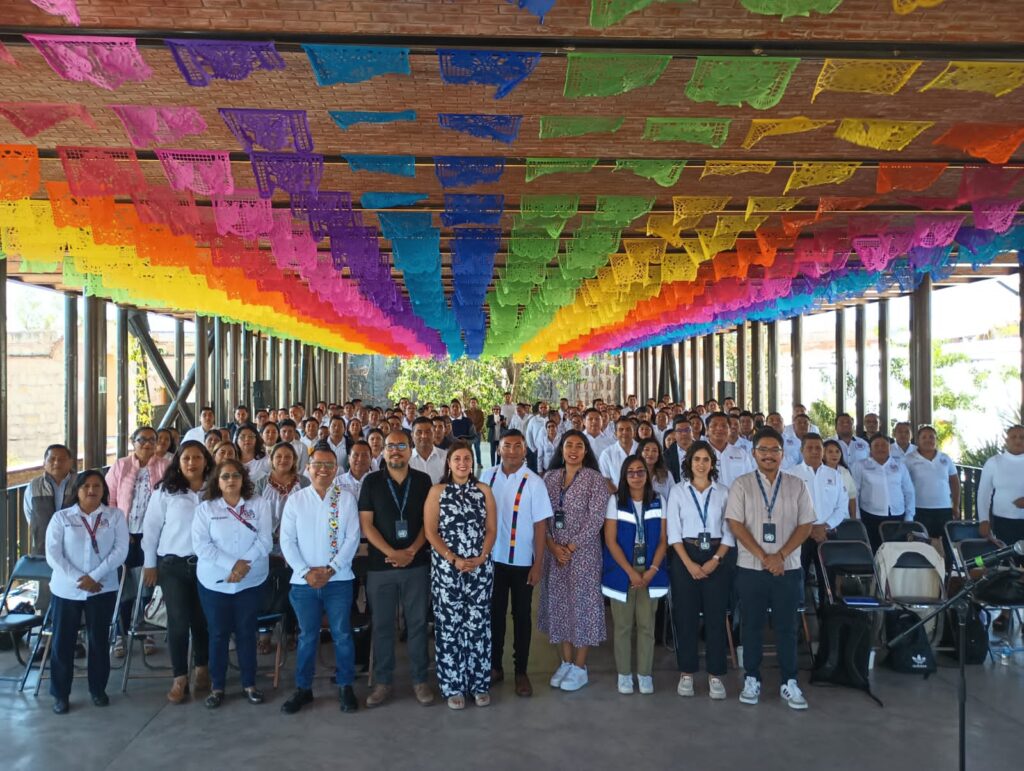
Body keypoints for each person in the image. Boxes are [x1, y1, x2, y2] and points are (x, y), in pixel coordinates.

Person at [725, 427, 815, 710]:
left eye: (774, 450)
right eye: (762, 450)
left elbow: (806, 525)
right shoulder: (741, 485)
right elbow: (735, 524)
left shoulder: (797, 485)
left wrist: (781, 556)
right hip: (751, 567)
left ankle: (790, 681)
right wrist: (765, 556)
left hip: (788, 568)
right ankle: (752, 678)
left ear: (782, 454)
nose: (768, 455)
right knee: (751, 625)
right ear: (753, 454)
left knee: (787, 627)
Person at [279, 445, 361, 715]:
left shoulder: (346, 499)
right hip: (303, 583)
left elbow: (352, 539)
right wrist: (306, 572)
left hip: (339, 580)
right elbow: (287, 541)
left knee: (342, 635)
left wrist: (331, 569)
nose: (323, 469)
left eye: (329, 465)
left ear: (336, 470)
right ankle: (303, 688)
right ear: (308, 468)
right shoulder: (296, 500)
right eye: (318, 464)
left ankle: (345, 685)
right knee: (307, 636)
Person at [358, 431, 435, 708]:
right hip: (381, 567)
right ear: (382, 451)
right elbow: (366, 525)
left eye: (401, 445)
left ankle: (420, 680)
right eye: (390, 446)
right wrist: (392, 553)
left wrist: (411, 551)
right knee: (382, 626)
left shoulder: (423, 481)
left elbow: (430, 523)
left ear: (410, 449)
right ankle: (383, 682)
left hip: (417, 564)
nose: (395, 450)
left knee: (417, 625)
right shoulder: (371, 481)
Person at [45, 470, 129, 714]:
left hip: (102, 588)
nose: (91, 490)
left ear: (104, 490)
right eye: (86, 486)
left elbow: (120, 550)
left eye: (97, 486)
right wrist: (79, 579)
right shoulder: (61, 518)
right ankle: (60, 694)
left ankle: (98, 689)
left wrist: (95, 576)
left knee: (99, 640)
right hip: (67, 589)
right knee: (63, 642)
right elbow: (53, 554)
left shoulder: (114, 516)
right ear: (77, 490)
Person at [192, 459, 272, 708]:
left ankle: (249, 684)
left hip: (251, 580)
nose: (231, 480)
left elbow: (265, 540)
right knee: (218, 633)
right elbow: (201, 546)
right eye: (225, 476)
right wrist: (232, 566)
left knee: (247, 632)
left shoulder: (259, 504)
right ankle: (217, 687)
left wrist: (243, 565)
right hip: (215, 582)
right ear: (217, 481)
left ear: (243, 478)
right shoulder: (205, 509)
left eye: (235, 475)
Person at [423, 441, 497, 710]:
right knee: (449, 627)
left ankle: (479, 684)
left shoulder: (484, 490)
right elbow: (431, 531)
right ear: (449, 463)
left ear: (473, 462)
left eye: (467, 458)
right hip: (447, 569)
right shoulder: (437, 491)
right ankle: (453, 686)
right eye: (457, 459)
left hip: (479, 568)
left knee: (478, 625)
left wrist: (482, 556)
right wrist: (452, 558)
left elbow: (491, 529)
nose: (462, 463)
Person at [142, 440, 214, 703]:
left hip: (207, 565)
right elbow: (151, 528)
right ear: (178, 462)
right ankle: (180, 677)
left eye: (197, 458)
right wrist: (150, 563)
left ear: (206, 460)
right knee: (178, 621)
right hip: (172, 565)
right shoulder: (166, 491)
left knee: (202, 619)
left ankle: (202, 668)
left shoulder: (215, 489)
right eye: (186, 458)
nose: (192, 463)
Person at [539, 430, 610, 693]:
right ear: (561, 449)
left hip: (584, 554)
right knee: (559, 605)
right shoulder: (550, 478)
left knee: (583, 606)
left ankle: (580, 667)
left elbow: (596, 519)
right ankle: (566, 662)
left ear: (586, 451)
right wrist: (552, 545)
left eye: (579, 446)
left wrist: (569, 547)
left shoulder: (595, 479)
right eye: (569, 445)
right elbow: (542, 515)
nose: (573, 450)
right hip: (554, 553)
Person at [484, 429, 553, 697]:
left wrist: (538, 564)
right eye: (507, 446)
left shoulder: (534, 482)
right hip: (493, 560)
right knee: (495, 614)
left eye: (517, 446)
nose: (512, 451)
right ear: (498, 449)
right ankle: (495, 666)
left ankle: (521, 671)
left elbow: (540, 526)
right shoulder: (487, 476)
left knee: (522, 616)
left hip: (523, 561)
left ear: (525, 450)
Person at [666, 440, 733, 700]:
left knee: (716, 618)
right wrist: (689, 564)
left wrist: (715, 559)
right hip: (685, 557)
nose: (701, 464)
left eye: (706, 460)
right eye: (697, 459)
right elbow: (673, 532)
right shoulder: (678, 491)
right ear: (689, 462)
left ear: (712, 464)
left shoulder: (723, 492)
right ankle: (687, 673)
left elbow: (730, 532)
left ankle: (716, 675)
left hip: (716, 556)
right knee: (686, 617)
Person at [602, 456, 668, 695]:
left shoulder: (658, 500)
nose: (636, 476)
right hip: (622, 572)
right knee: (622, 626)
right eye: (631, 472)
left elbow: (663, 540)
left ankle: (644, 674)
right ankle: (624, 674)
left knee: (647, 626)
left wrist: (652, 570)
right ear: (624, 476)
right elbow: (610, 541)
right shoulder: (615, 501)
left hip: (651, 571)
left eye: (640, 471)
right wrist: (630, 572)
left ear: (647, 475)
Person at [106, 426, 170, 657]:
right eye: (142, 439)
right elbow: (110, 499)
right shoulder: (120, 466)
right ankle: (120, 634)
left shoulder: (165, 466)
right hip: (125, 534)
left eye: (152, 440)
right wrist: (119, 530)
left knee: (148, 585)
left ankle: (146, 632)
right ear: (133, 441)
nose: (147, 444)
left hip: (153, 536)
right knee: (124, 586)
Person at [254, 442, 311, 654]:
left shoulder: (304, 482)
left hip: (298, 545)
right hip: (267, 545)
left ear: (294, 460)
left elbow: (309, 513)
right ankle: (265, 633)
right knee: (267, 589)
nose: (283, 460)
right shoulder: (260, 484)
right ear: (272, 459)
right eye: (279, 456)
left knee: (294, 587)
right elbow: (254, 515)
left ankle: (290, 631)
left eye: (288, 456)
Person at [785, 434, 848, 610]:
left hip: (827, 535)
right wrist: (809, 528)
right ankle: (797, 621)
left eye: (818, 448)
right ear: (802, 450)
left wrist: (825, 526)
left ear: (823, 451)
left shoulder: (834, 475)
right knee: (797, 578)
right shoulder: (790, 474)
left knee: (828, 582)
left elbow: (842, 506)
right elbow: (786, 506)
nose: (814, 451)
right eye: (809, 448)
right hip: (799, 536)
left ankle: (826, 619)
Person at [852, 434, 915, 551]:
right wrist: (856, 516)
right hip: (870, 516)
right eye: (876, 445)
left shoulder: (899, 465)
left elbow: (909, 491)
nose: (880, 448)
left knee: (896, 551)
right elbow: (855, 492)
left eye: (884, 445)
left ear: (889, 448)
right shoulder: (860, 465)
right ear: (870, 448)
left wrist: (909, 516)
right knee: (875, 550)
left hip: (897, 516)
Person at [904, 425, 960, 539]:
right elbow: (903, 484)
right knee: (921, 543)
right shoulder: (908, 459)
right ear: (918, 440)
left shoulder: (945, 458)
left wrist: (956, 505)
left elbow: (954, 482)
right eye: (924, 437)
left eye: (931, 437)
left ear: (936, 440)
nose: (928, 440)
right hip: (919, 508)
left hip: (944, 508)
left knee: (944, 542)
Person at [24, 444, 76, 558]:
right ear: (44, 463)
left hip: (75, 550)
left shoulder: (80, 484)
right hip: (43, 550)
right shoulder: (34, 486)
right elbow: (30, 515)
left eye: (62, 459)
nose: (57, 463)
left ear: (70, 463)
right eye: (52, 459)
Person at [978, 425, 1024, 544]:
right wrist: (983, 520)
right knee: (1005, 555)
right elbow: (984, 493)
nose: (1018, 440)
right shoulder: (994, 462)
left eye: (1022, 437)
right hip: (1002, 522)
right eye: (1013, 437)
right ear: (1006, 440)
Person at [705, 412, 754, 488]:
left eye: (724, 426)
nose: (719, 428)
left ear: (729, 429)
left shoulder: (741, 453)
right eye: (714, 425)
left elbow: (750, 480)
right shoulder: (700, 454)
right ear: (707, 430)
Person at [599, 417, 638, 488]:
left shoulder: (642, 449)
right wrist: (617, 493)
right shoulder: (607, 454)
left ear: (634, 433)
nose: (624, 432)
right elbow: (605, 479)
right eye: (621, 429)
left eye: (628, 429)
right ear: (615, 434)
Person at [823, 439, 858, 517]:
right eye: (830, 452)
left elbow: (852, 497)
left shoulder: (845, 472)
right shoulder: (818, 473)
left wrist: (853, 518)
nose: (834, 454)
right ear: (823, 455)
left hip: (844, 518)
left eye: (837, 451)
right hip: (825, 519)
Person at [410, 416, 446, 484]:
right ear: (412, 435)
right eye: (419, 432)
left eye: (428, 432)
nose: (424, 436)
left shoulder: (446, 457)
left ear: (434, 433)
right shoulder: (407, 459)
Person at [638, 437, 673, 501]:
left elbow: (673, 496)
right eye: (647, 450)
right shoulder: (635, 474)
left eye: (654, 450)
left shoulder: (667, 474)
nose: (650, 454)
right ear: (640, 452)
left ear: (658, 455)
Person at [664, 416, 694, 483]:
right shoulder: (667, 455)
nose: (684, 433)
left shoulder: (702, 449)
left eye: (687, 430)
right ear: (674, 434)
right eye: (679, 431)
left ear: (692, 432)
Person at [465, 397, 486, 468]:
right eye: (472, 402)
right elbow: (465, 422)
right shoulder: (466, 412)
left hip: (477, 433)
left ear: (476, 404)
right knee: (468, 449)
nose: (473, 403)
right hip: (468, 434)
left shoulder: (480, 412)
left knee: (477, 448)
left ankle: (479, 463)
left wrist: (474, 429)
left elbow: (481, 422)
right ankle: (469, 463)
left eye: (474, 402)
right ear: (469, 404)